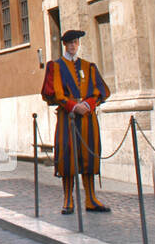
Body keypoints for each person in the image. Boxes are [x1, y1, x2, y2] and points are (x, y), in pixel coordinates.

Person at [41, 29, 111, 213]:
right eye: (69, 43)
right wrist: (72, 106)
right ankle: (67, 199)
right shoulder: (55, 66)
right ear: (64, 44)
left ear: (78, 44)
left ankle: (91, 198)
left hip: (88, 118)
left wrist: (88, 104)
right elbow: (53, 93)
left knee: (90, 155)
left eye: (75, 43)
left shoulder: (89, 66)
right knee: (67, 157)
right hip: (68, 118)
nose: (73, 46)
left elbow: (101, 91)